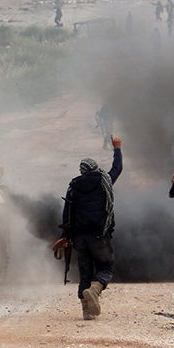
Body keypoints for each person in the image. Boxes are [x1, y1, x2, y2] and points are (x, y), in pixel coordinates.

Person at [60, 135, 123, 320]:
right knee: (106, 267)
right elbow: (117, 169)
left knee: (85, 272)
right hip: (99, 236)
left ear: (82, 171)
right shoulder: (104, 182)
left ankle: (86, 311)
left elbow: (67, 212)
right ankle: (95, 290)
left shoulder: (74, 186)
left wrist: (66, 235)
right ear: (95, 168)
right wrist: (117, 148)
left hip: (80, 238)